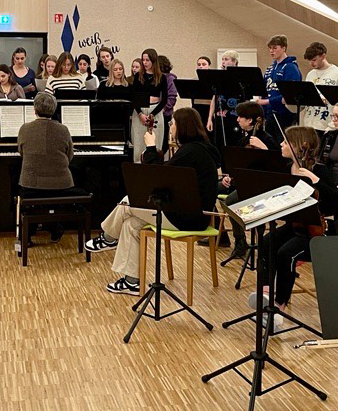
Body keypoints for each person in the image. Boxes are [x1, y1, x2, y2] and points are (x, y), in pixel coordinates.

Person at [85, 108, 220, 295]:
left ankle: (108, 238)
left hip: (187, 218)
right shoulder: (200, 149)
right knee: (131, 224)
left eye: (173, 123)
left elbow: (158, 177)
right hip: (190, 213)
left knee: (128, 202)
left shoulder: (191, 152)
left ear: (183, 127)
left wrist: (150, 147)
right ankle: (132, 282)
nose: (171, 127)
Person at [252, 126, 338, 326]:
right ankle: (266, 294)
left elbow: (337, 203)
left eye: (286, 141)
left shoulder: (319, 169)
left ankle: (280, 305)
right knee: (267, 242)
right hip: (297, 225)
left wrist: (316, 181)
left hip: (319, 232)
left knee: (286, 253)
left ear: (301, 145)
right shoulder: (287, 168)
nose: (281, 144)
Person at [17, 93, 88, 243]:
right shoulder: (63, 129)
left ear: (35, 109)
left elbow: (22, 153)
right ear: (54, 109)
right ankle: (55, 228)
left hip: (32, 183)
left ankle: (28, 233)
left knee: (22, 185)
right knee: (61, 185)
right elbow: (69, 156)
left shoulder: (24, 129)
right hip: (61, 184)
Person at [214, 101, 280, 260]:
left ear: (250, 120)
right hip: (243, 182)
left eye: (240, 117)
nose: (237, 119)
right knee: (213, 189)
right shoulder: (243, 141)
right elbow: (238, 165)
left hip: (262, 185)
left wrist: (264, 148)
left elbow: (277, 165)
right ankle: (227, 237)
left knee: (230, 202)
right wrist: (229, 177)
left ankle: (240, 241)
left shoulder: (268, 140)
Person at [130, 49, 168, 163]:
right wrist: (140, 114)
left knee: (156, 143)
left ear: (153, 61)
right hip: (140, 111)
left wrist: (152, 114)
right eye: (143, 60)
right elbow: (134, 97)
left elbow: (164, 99)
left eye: (148, 60)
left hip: (155, 111)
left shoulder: (162, 77)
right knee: (139, 143)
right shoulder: (138, 76)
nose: (145, 62)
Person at [300, 42, 338, 134]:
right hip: (309, 125)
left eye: (314, 60)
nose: (311, 63)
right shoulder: (310, 74)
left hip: (326, 125)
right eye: (309, 61)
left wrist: (332, 126)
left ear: (323, 56)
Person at [262, 35, 302, 136]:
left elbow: (290, 94)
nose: (271, 51)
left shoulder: (290, 67)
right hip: (270, 112)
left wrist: (268, 101)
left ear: (283, 48)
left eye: (275, 48)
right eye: (270, 48)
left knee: (282, 141)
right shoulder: (270, 68)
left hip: (284, 113)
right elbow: (264, 89)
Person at [207, 50, 242, 149]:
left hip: (234, 117)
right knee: (218, 143)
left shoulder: (240, 76)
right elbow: (214, 98)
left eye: (226, 59)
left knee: (233, 143)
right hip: (220, 116)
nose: (223, 62)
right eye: (222, 59)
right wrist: (210, 118)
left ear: (234, 62)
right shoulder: (219, 77)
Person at [159, 55, 178, 151]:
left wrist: (163, 109)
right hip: (153, 113)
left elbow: (172, 97)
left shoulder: (170, 78)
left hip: (164, 114)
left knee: (163, 143)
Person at [193, 55, 213, 125]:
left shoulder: (213, 80)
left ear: (209, 66)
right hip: (197, 107)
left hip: (209, 107)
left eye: (204, 64)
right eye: (199, 65)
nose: (201, 66)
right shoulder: (194, 80)